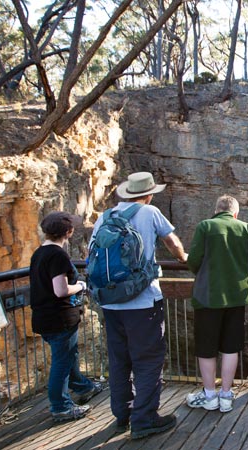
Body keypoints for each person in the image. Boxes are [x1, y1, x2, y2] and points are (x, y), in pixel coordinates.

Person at [91, 172, 188, 439]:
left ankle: (122, 415)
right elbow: (172, 243)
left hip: (111, 303)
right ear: (149, 194)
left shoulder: (105, 216)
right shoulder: (150, 213)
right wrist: (183, 257)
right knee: (147, 361)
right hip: (143, 303)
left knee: (119, 359)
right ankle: (144, 419)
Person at [185, 195, 248, 413]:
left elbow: (193, 261)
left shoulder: (205, 226)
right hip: (237, 298)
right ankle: (226, 396)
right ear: (235, 213)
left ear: (216, 210)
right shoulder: (246, 228)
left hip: (207, 298)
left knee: (206, 348)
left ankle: (210, 395)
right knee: (231, 347)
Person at [30, 211, 104, 423]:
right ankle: (61, 407)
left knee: (68, 356)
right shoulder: (57, 255)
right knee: (62, 362)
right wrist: (80, 285)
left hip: (44, 316)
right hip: (59, 317)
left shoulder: (39, 253)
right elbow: (60, 290)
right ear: (69, 232)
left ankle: (84, 387)